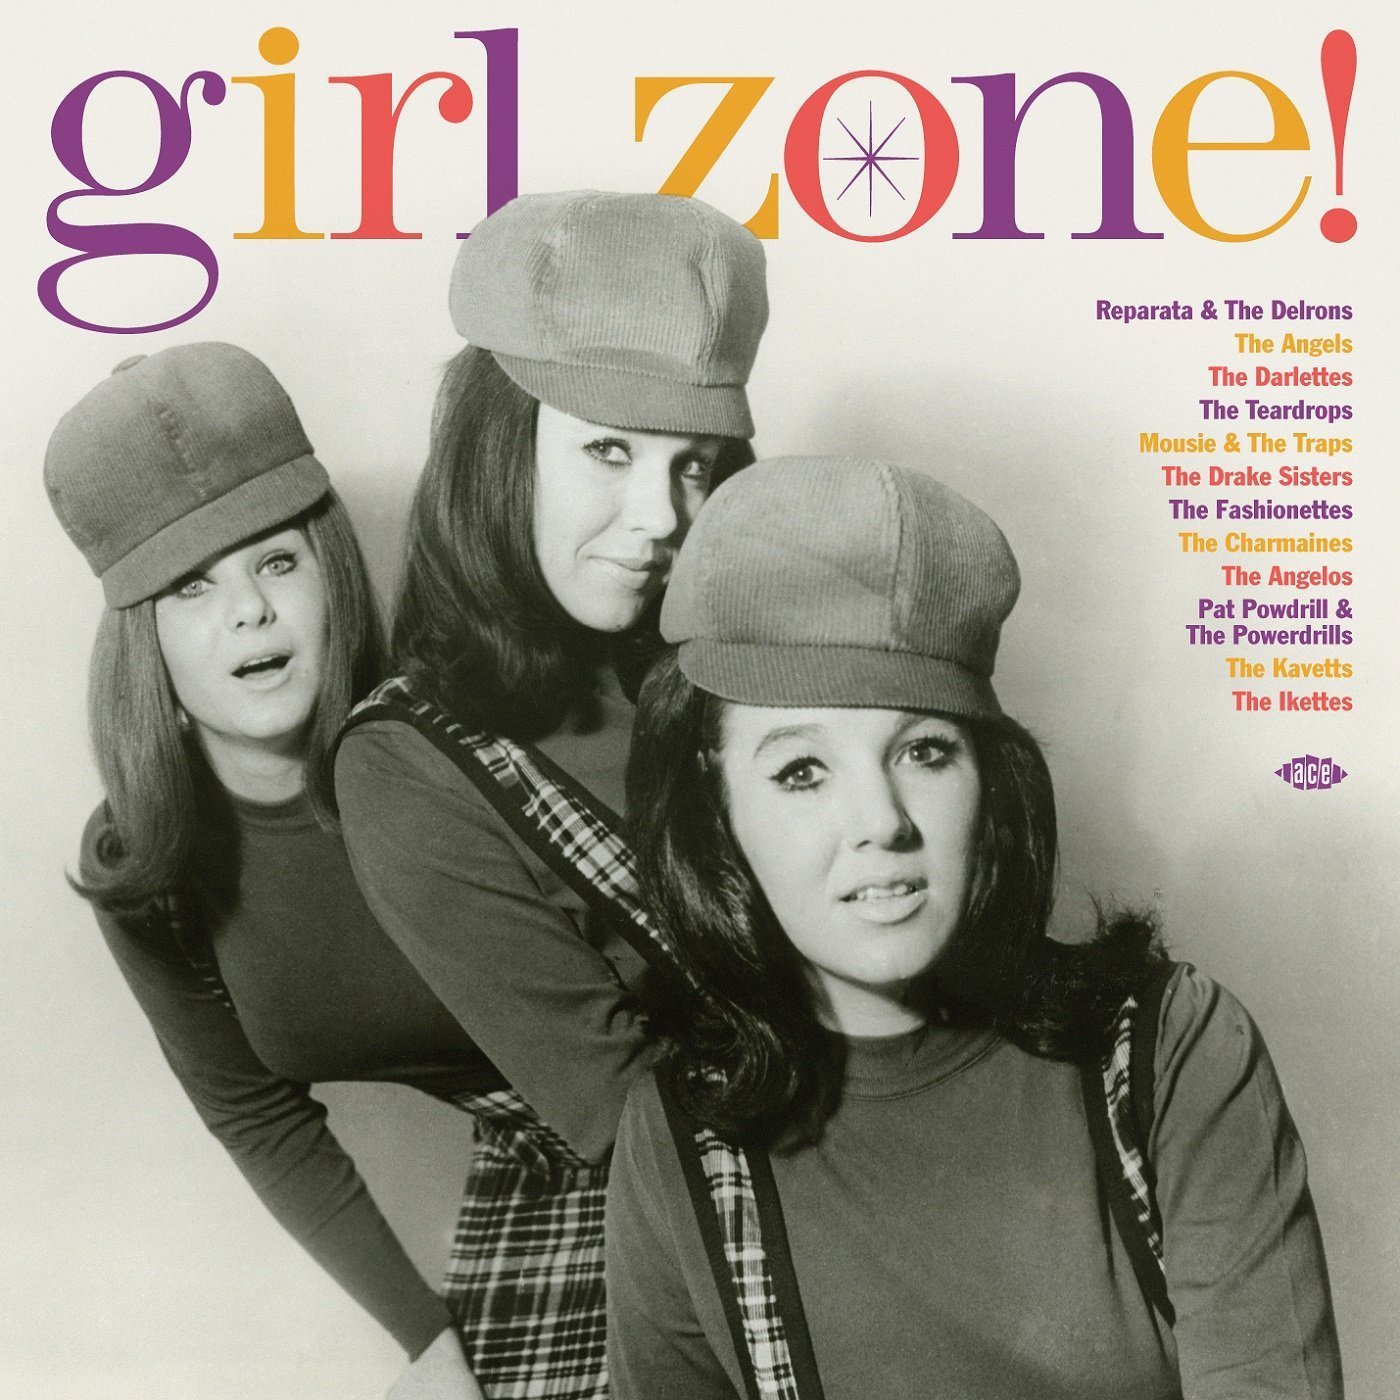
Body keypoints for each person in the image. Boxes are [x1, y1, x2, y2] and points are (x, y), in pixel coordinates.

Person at [608, 456, 1344, 1399]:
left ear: (989, 781)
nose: (881, 822)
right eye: (801, 771)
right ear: (715, 812)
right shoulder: (682, 1135)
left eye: (923, 751)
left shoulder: (1170, 1049)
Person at [333, 190, 768, 1399]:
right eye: (608, 451)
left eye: (694, 465)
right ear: (498, 447)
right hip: (624, 1276)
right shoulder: (406, 762)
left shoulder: (737, 670)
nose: (660, 520)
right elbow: (624, 1114)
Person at [45, 343, 500, 1397]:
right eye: (191, 585)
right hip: (539, 1171)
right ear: (143, 642)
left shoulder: (462, 742)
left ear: (331, 572)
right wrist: (427, 1341)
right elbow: (258, 1116)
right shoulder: (143, 863)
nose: (248, 609)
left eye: (278, 561)